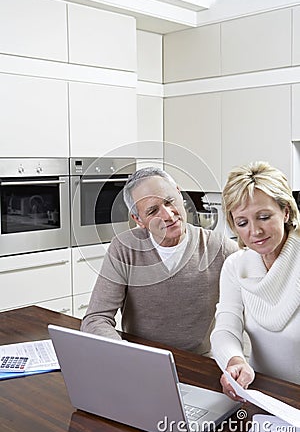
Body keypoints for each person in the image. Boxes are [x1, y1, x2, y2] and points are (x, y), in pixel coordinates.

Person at [81, 167, 238, 354]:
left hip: (199, 362)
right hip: (141, 359)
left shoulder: (219, 247)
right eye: (153, 211)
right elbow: (96, 318)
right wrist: (124, 353)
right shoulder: (124, 249)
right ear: (138, 220)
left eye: (170, 201)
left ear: (179, 193)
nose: (168, 215)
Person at [210, 161, 300, 398]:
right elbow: (226, 328)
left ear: (286, 212)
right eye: (243, 223)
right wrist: (235, 360)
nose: (255, 231)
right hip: (264, 393)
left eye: (264, 217)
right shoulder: (235, 266)